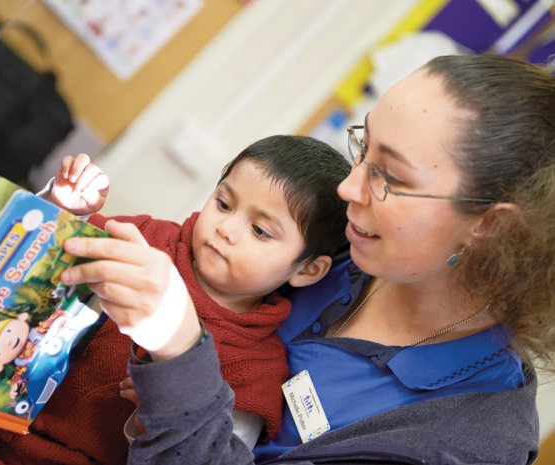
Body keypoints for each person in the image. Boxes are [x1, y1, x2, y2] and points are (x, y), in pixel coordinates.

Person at [56, 54, 554, 465]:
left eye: (390, 177)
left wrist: (180, 357)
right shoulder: (348, 250)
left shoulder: (461, 441)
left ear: (493, 226)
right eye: (363, 146)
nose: (347, 187)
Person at [0, 135, 349, 464]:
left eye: (261, 231)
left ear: (307, 269)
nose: (227, 229)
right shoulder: (146, 238)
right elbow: (30, 270)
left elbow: (201, 452)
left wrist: (153, 410)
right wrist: (64, 210)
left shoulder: (257, 371)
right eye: (223, 203)